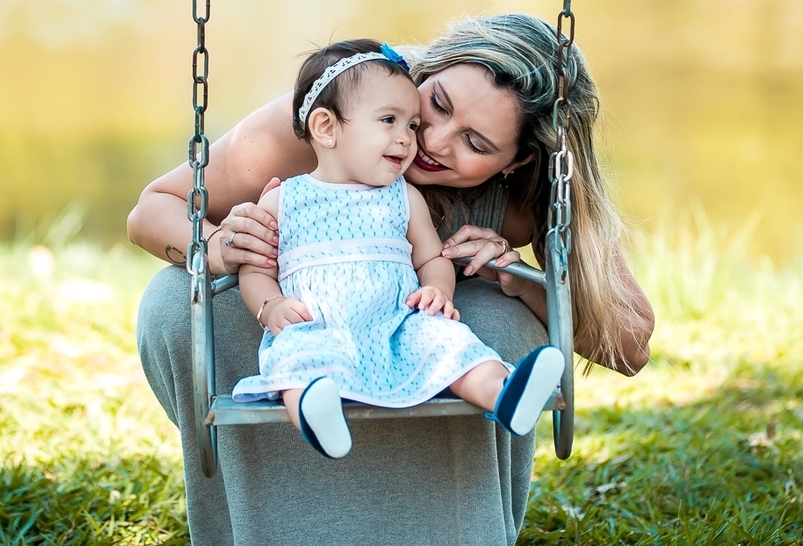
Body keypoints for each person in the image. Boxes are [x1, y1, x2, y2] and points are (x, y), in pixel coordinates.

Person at [130, 11, 654, 546]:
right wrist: (218, 248)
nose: (432, 141)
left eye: (477, 145)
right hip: (312, 315)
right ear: (422, 74)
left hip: (415, 330)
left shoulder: (538, 186)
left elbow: (630, 344)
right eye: (435, 105)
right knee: (177, 303)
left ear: (517, 163)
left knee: (492, 323)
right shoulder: (339, 108)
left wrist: (519, 282)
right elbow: (152, 209)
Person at [231, 40, 565, 457]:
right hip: (317, 322)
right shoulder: (284, 198)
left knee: (450, 344)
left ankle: (504, 394)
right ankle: (319, 417)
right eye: (389, 120)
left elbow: (431, 257)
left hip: (396, 322)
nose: (410, 139)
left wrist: (437, 291)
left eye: (410, 124)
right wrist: (271, 306)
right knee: (299, 361)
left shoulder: (403, 197)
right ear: (326, 127)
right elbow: (256, 268)